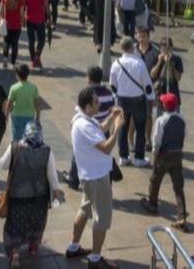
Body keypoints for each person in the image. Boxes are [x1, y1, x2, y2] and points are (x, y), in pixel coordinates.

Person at [66, 87, 126, 269]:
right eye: (95, 102)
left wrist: (110, 118)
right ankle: (95, 259)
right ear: (87, 106)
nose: (99, 103)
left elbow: (98, 129)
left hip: (89, 176)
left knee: (85, 209)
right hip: (97, 177)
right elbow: (106, 147)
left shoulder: (81, 118)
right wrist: (117, 128)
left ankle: (74, 246)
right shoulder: (84, 125)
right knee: (102, 218)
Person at [0, 120, 63, 265]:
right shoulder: (47, 150)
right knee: (36, 223)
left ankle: (14, 253)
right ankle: (33, 247)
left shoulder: (15, 147)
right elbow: (52, 176)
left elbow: (2, 164)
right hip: (39, 197)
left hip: (17, 195)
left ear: (25, 133)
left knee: (14, 225)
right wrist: (56, 192)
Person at [142, 93, 188, 226]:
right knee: (178, 186)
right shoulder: (182, 119)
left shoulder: (161, 121)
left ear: (164, 106)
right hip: (177, 154)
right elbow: (184, 135)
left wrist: (155, 156)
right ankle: (182, 215)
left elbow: (156, 141)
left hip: (164, 155)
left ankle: (153, 204)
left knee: (155, 180)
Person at [111, 36, 153, 166]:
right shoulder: (139, 64)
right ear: (132, 47)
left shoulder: (116, 64)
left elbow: (113, 85)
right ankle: (139, 157)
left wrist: (116, 99)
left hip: (122, 100)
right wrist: (151, 99)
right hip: (138, 100)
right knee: (140, 128)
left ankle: (124, 156)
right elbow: (147, 84)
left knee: (122, 129)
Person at [5, 63, 41, 141]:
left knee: (17, 137)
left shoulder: (14, 88)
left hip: (16, 116)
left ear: (17, 75)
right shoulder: (33, 87)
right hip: (30, 116)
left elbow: (9, 104)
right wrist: (38, 117)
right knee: (29, 138)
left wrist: (6, 116)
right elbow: (37, 104)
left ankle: (17, 152)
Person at [21, 0, 49, 68]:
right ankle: (37, 55)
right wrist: (49, 18)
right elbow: (46, 7)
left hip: (30, 19)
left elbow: (23, 8)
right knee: (42, 39)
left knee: (31, 41)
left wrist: (23, 20)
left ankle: (33, 60)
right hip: (40, 19)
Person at [2, 0, 23, 69]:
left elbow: (3, 12)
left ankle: (5, 58)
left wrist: (1, 20)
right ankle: (13, 62)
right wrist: (23, 21)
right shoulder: (20, 0)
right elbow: (21, 14)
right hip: (17, 25)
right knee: (15, 44)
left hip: (7, 24)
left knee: (6, 42)